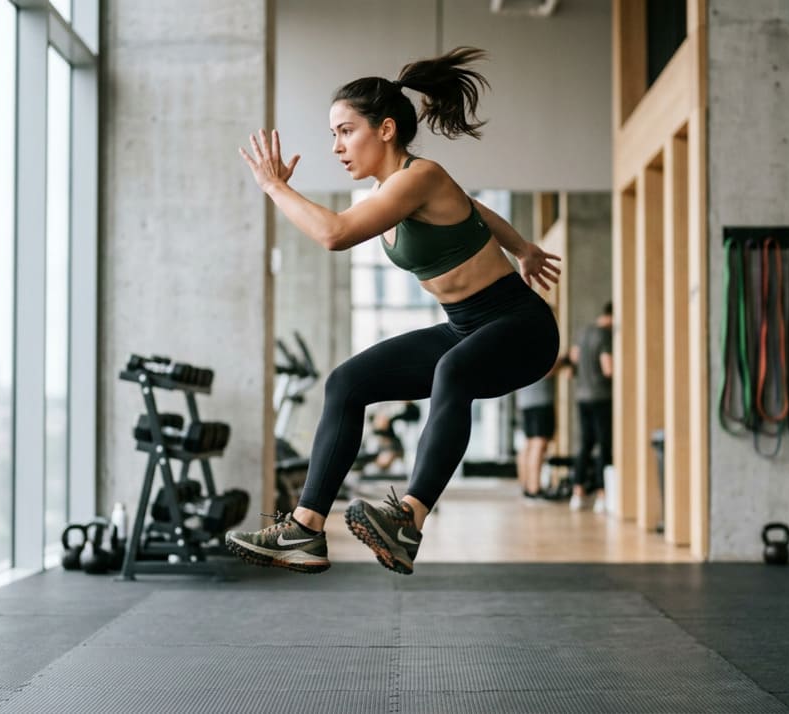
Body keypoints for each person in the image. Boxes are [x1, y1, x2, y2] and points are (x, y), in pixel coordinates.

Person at [227, 47, 561, 574]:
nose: (336, 146)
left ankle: (408, 520)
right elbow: (476, 209)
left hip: (521, 326)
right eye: (333, 134)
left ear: (385, 129)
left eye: (345, 131)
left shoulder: (420, 176)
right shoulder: (395, 192)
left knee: (453, 370)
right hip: (465, 326)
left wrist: (275, 187)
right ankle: (305, 530)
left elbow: (334, 235)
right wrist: (522, 247)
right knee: (346, 382)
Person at [569, 302, 613, 512]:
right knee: (604, 444)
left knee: (585, 443)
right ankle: (602, 494)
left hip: (582, 396)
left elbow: (574, 359)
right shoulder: (604, 335)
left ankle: (577, 492)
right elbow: (608, 368)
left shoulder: (583, 332)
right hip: (601, 396)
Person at [515, 358, 565, 499]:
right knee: (539, 443)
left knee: (530, 443)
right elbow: (546, 369)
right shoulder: (536, 342)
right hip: (540, 400)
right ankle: (534, 488)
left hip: (525, 400)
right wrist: (562, 362)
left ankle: (526, 485)